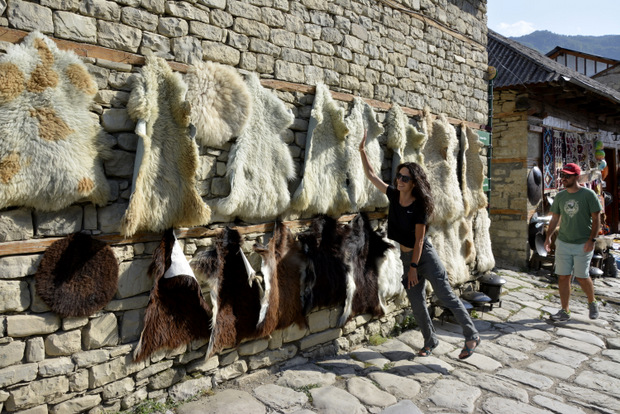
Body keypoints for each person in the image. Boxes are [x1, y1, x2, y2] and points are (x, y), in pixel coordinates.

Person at [359, 132, 480, 359]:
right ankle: (430, 341)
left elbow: (420, 240)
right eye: (399, 176)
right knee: (416, 303)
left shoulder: (420, 207)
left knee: (445, 297)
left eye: (405, 178)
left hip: (424, 257)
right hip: (408, 258)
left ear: (414, 183)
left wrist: (414, 267)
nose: (400, 181)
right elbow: (372, 175)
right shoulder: (394, 196)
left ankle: (471, 335)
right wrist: (362, 150)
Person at [544, 163, 601, 321]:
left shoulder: (588, 195)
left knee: (582, 277)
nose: (563, 179)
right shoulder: (561, 196)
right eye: (562, 175)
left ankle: (592, 302)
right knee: (563, 276)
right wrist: (548, 237)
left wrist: (592, 240)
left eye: (567, 176)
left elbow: (597, 219)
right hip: (563, 242)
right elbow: (555, 218)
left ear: (576, 177)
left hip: (583, 243)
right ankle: (565, 310)